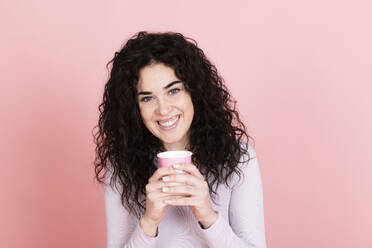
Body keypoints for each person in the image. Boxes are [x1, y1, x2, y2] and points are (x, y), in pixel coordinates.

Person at [94, 31, 266, 248]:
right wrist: (149, 222)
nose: (163, 109)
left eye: (173, 91)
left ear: (194, 91)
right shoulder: (121, 166)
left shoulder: (239, 158)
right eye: (147, 98)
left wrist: (208, 216)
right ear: (134, 108)